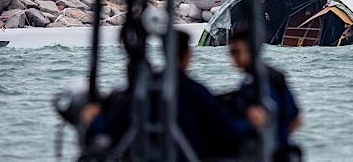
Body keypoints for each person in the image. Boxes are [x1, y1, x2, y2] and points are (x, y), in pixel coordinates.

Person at [81, 29, 264, 160]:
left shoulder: (140, 92)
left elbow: (109, 127)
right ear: (187, 56)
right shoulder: (195, 92)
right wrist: (251, 124)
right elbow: (226, 128)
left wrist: (92, 119)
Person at [226, 28, 303, 161]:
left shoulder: (261, 82)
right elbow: (296, 119)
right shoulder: (272, 77)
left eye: (236, 52)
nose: (233, 58)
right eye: (231, 53)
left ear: (252, 50)